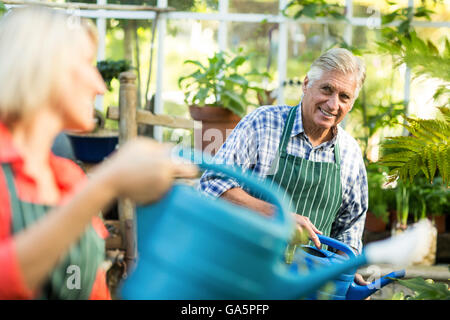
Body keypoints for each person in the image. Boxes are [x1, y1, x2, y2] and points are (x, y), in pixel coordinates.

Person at [0, 6, 197, 300]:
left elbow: (91, 287)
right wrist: (106, 183)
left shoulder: (68, 177)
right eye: (87, 63)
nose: (100, 86)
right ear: (41, 66)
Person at [199, 48, 369, 284]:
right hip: (243, 273)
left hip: (306, 286)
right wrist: (278, 215)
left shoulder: (350, 153)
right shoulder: (263, 124)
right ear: (307, 84)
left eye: (344, 97)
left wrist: (344, 276)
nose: (333, 104)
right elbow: (213, 184)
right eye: (326, 89)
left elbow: (350, 228)